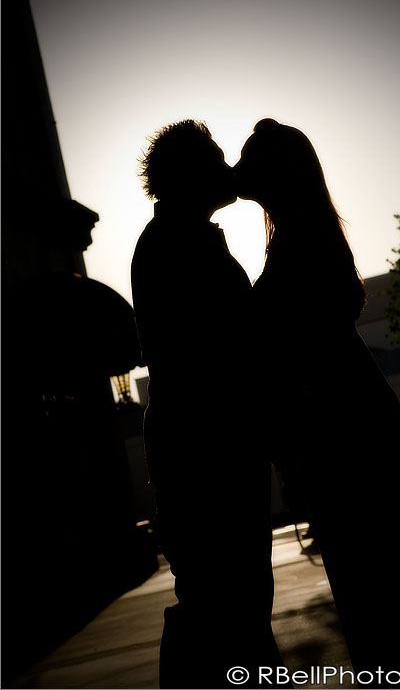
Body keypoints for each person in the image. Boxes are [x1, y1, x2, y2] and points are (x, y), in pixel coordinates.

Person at [234, 118, 400, 689]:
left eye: (250, 159)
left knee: (379, 584)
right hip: (349, 419)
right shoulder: (304, 231)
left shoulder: (298, 241)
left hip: (343, 429)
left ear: (275, 172)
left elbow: (289, 343)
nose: (239, 168)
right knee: (391, 579)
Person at [131, 120, 283, 689]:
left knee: (224, 606)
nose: (227, 169)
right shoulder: (179, 243)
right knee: (227, 608)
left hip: (205, 450)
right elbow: (227, 343)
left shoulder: (180, 237)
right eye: (216, 159)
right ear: (192, 174)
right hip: (206, 457)